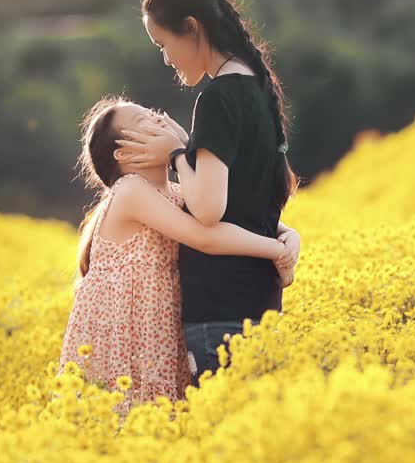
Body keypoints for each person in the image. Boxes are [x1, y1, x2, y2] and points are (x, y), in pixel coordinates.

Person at [116, 0, 301, 383]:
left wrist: (178, 153)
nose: (164, 58)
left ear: (192, 28)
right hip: (261, 301)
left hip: (221, 311)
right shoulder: (257, 90)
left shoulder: (217, 100)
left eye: (163, 43)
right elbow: (246, 204)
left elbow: (208, 210)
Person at [59, 96, 297, 410]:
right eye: (142, 120)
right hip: (123, 334)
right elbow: (205, 237)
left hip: (159, 328)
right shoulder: (130, 190)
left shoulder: (177, 193)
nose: (159, 118)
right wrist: (274, 251)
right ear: (124, 153)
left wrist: (289, 235)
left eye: (155, 112)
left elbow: (243, 219)